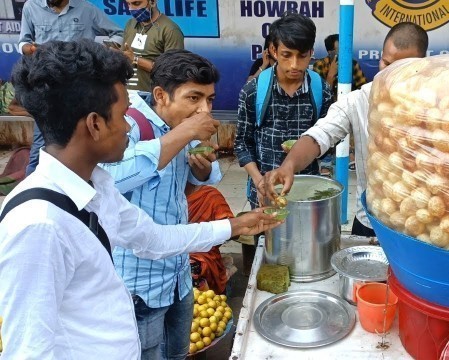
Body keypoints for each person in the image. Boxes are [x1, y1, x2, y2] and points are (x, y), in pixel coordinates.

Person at [0, 39, 280, 359]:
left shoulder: (97, 188)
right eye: (122, 115)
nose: (127, 125)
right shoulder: (38, 225)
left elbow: (155, 238)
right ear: (94, 125)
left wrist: (235, 225)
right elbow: (28, 350)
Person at [99, 50, 222, 359]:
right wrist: (185, 133)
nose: (204, 110)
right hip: (138, 284)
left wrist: (203, 168)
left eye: (209, 100)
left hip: (178, 273)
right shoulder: (130, 125)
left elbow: (211, 173)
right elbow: (108, 179)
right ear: (160, 95)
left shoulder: (186, 127)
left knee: (178, 354)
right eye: (194, 98)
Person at [263, 22, 429, 237]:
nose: (389, 75)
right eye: (385, 63)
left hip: (422, 229)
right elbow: (320, 134)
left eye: (402, 69)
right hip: (371, 222)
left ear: (423, 65)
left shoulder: (437, 104)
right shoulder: (360, 100)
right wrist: (289, 165)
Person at [234, 12, 332, 211]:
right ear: (273, 50)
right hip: (263, 191)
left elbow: (329, 140)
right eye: (287, 55)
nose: (295, 65)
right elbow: (242, 143)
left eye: (302, 56)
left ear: (311, 52)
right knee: (264, 241)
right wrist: (258, 179)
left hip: (307, 190)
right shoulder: (253, 91)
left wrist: (306, 149)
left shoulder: (321, 91)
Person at [19, 0, 124, 176]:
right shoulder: (31, 6)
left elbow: (118, 33)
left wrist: (96, 51)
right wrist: (29, 49)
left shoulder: (86, 9)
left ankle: (77, 189)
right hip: (48, 90)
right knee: (40, 145)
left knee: (79, 142)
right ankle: (31, 190)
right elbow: (23, 41)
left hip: (79, 90)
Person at [121, 0, 184, 91]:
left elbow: (172, 71)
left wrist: (136, 60)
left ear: (153, 2)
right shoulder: (130, 24)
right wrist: (116, 54)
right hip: (128, 95)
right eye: (128, 4)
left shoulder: (170, 30)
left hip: (152, 97)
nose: (131, 9)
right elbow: (125, 56)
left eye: (136, 3)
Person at [313, 34, 368, 102]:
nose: (344, 52)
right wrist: (331, 75)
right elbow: (320, 96)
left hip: (349, 104)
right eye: (340, 49)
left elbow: (363, 90)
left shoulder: (352, 64)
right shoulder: (320, 65)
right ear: (330, 52)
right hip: (328, 106)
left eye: (345, 48)